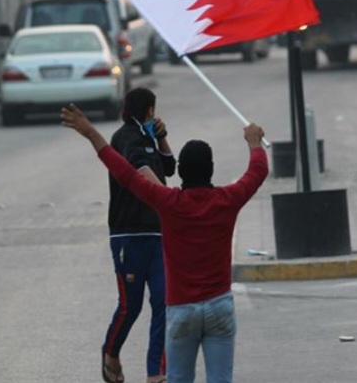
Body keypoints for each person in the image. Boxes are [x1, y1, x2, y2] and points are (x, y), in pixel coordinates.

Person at [62, 103, 268, 383]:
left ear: (180, 172)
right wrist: (254, 142)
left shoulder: (168, 202)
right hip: (219, 305)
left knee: (178, 377)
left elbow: (124, 172)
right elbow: (257, 173)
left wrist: (91, 133)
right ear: (211, 169)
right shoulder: (227, 200)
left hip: (181, 308)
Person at [103, 87, 176, 383]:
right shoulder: (124, 138)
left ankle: (155, 373)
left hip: (157, 234)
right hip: (128, 235)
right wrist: (170, 201)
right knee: (130, 306)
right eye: (152, 110)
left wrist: (161, 137)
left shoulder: (148, 136)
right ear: (147, 109)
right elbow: (139, 168)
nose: (154, 115)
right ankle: (110, 353)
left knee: (163, 302)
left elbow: (170, 167)